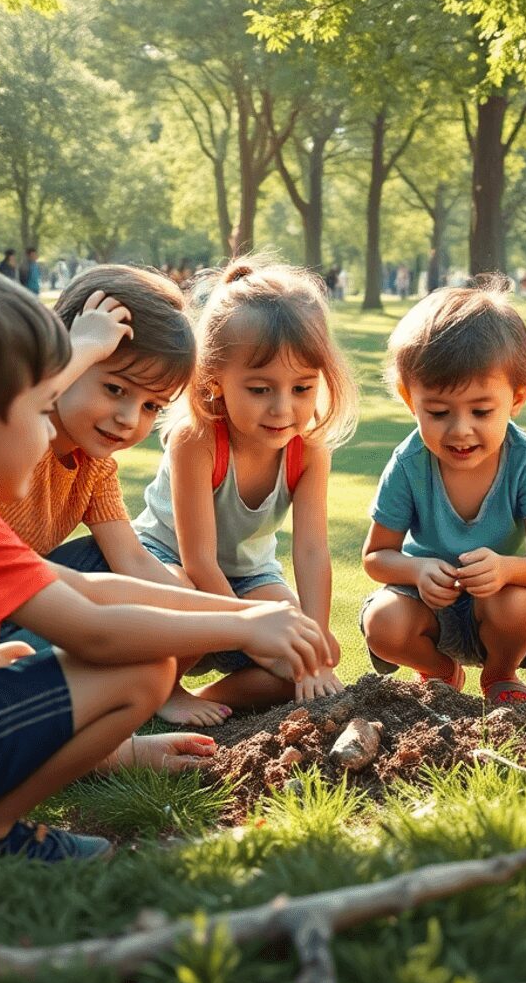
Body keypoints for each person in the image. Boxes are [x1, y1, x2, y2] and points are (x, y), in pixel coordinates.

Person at [0, 257, 332, 875]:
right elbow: (92, 628)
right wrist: (242, 628)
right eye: (44, 407)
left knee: (42, 658)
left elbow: (88, 584)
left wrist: (248, 610)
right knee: (141, 671)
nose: (49, 431)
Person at [134, 258, 359, 721]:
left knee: (300, 657)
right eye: (260, 390)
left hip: (250, 576)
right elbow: (198, 562)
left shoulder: (308, 451)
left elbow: (313, 551)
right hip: (169, 563)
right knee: (180, 595)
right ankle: (165, 688)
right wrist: (251, 629)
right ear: (215, 380)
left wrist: (311, 643)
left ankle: (209, 699)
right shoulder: (196, 440)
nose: (283, 408)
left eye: (302, 388)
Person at [0, 266, 230, 680]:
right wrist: (80, 347)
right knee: (127, 637)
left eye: (151, 406)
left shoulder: (95, 467)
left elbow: (132, 560)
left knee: (165, 584)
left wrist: (237, 620)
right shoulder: (13, 436)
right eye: (116, 389)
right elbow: (10, 408)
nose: (128, 419)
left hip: (16, 599)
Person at [360, 280, 526, 714]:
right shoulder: (409, 461)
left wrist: (506, 568)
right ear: (408, 398)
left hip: (504, 610)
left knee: (508, 601)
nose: (459, 430)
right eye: (437, 412)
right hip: (429, 605)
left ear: (518, 398)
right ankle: (439, 673)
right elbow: (376, 556)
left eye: (481, 411)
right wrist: (417, 571)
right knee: (383, 621)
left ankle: (500, 676)